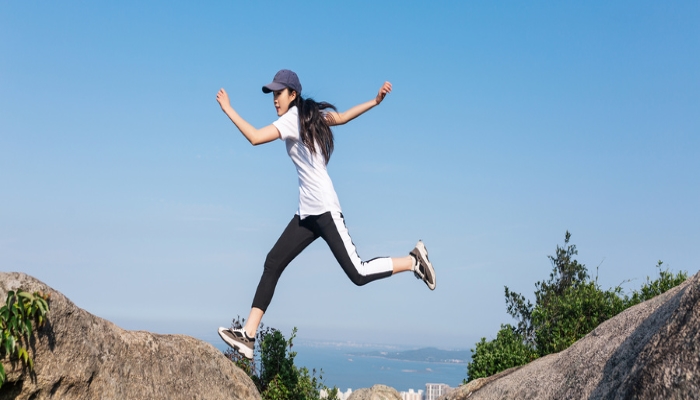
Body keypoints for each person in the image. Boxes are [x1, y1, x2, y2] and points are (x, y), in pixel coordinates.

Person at [215, 69, 435, 359]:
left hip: (325, 210)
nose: (274, 99)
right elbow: (341, 117)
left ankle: (413, 261)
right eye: (272, 94)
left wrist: (228, 109)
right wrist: (374, 101)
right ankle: (248, 336)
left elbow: (255, 137)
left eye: (278, 93)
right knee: (273, 261)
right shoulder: (308, 117)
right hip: (306, 213)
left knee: (358, 273)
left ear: (292, 94)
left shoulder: (293, 119)